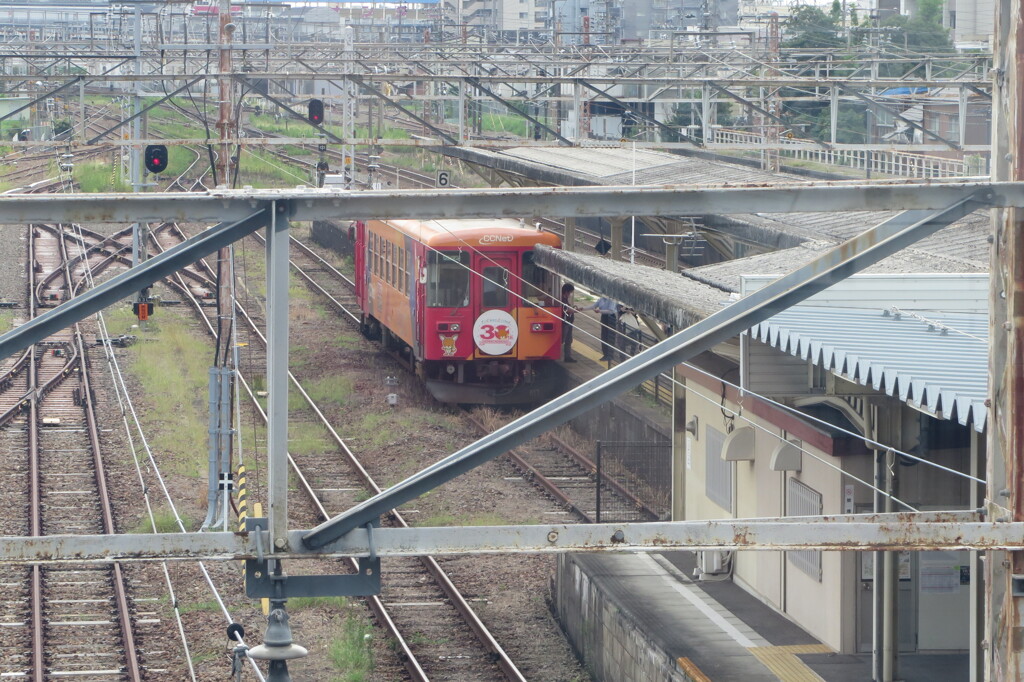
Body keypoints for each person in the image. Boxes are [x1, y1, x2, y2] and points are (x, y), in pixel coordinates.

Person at [587, 296, 618, 360]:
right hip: (604, 317)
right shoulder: (601, 299)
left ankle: (610, 355)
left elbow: (610, 311)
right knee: (604, 336)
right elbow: (593, 306)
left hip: (611, 318)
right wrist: (582, 308)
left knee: (610, 336)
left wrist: (600, 311)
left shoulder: (612, 299)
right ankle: (605, 354)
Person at [560, 283, 578, 362]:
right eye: (570, 292)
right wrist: (575, 310)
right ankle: (566, 356)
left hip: (568, 322)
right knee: (564, 339)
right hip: (565, 322)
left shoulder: (565, 299)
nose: (570, 294)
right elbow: (566, 310)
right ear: (566, 292)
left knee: (568, 340)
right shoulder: (562, 299)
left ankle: (568, 356)